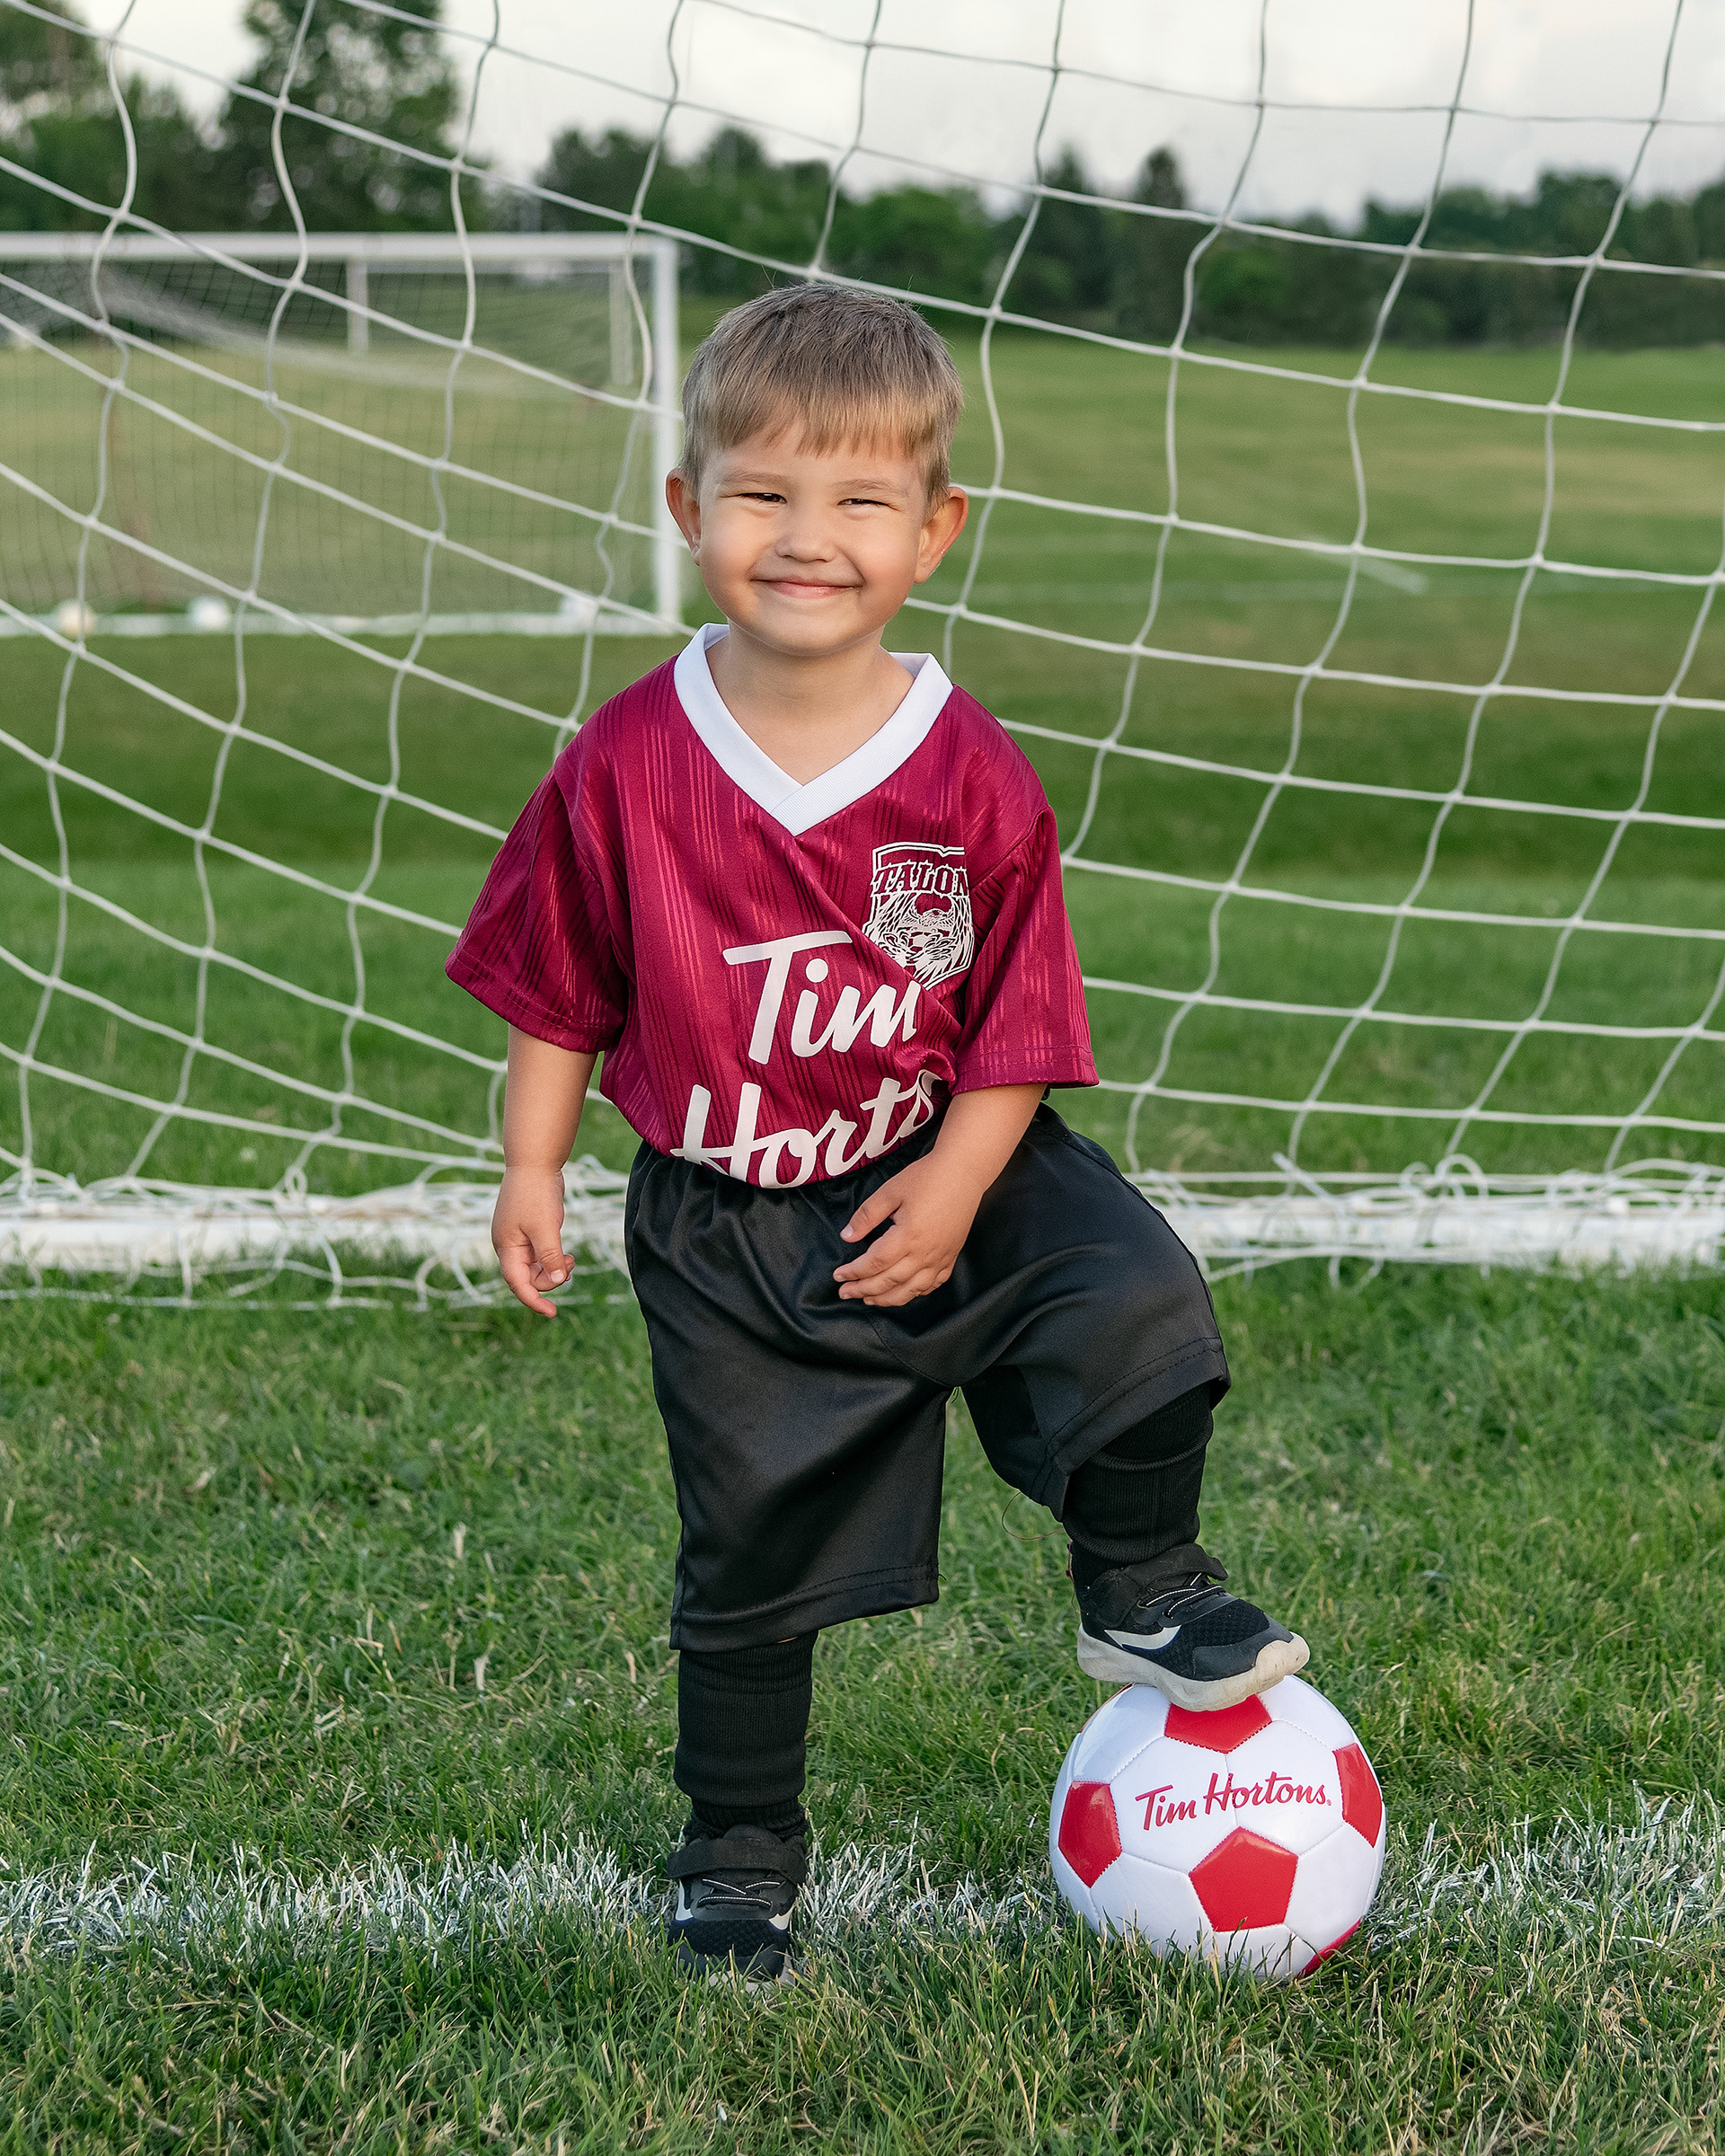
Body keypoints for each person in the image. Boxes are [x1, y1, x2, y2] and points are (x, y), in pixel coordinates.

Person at [447, 284, 1307, 1984]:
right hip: (735, 1219)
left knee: (1132, 1294)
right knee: (749, 1556)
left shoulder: (967, 768)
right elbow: (559, 981)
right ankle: (738, 1853)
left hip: (953, 1156)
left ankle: (1141, 1582)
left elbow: (1017, 1019)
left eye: (857, 499)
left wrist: (961, 1184)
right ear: (688, 508)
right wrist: (532, 1163)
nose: (806, 538)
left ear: (933, 529)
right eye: (762, 493)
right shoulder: (626, 760)